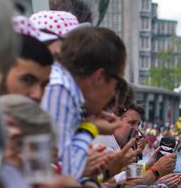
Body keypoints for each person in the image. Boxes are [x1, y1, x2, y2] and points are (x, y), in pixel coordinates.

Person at [41, 26, 128, 178]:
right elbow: (68, 173)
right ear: (99, 77)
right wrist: (90, 128)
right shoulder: (61, 89)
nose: (115, 93)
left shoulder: (65, 89)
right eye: (118, 84)